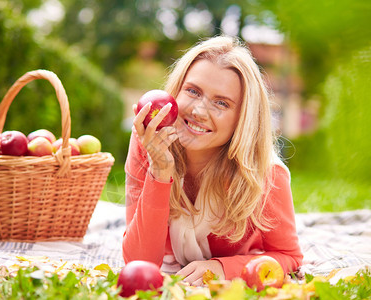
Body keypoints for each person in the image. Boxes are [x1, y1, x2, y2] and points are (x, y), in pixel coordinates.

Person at [122, 35, 303, 286]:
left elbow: (289, 257)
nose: (198, 111)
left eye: (221, 103)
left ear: (243, 117)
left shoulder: (265, 173)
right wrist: (160, 171)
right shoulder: (150, 143)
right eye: (193, 91)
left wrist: (222, 268)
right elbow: (138, 263)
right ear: (176, 90)